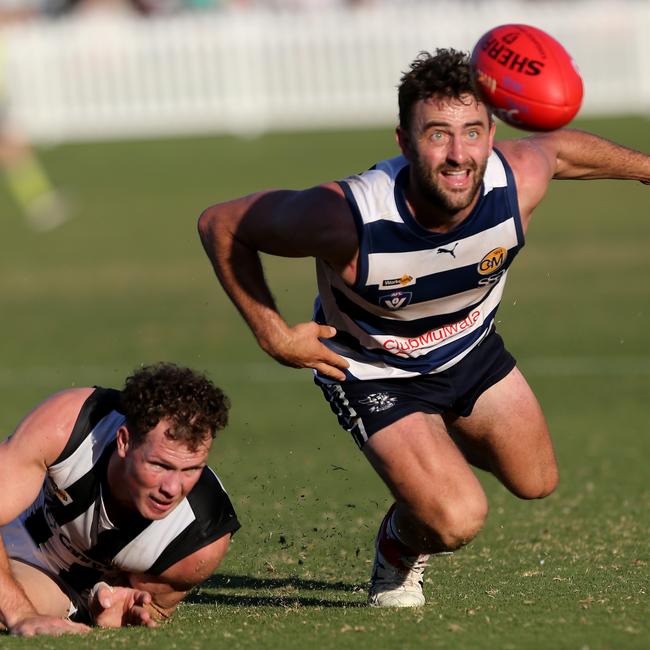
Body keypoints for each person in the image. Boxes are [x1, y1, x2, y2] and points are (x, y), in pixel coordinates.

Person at [197, 49, 650, 608]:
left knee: (537, 481)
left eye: (473, 132)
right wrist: (273, 334)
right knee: (456, 517)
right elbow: (221, 223)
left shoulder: (518, 179)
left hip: (470, 349)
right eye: (437, 135)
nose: (458, 154)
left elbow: (558, 150)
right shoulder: (346, 218)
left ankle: (428, 462)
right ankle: (397, 547)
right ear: (404, 140)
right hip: (372, 370)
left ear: (492, 134)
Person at [0, 362, 240, 635]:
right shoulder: (69, 424)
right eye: (159, 465)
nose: (173, 488)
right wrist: (19, 614)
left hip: (54, 582)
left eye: (192, 469)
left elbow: (153, 607)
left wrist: (112, 604)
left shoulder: (196, 538)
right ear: (124, 441)